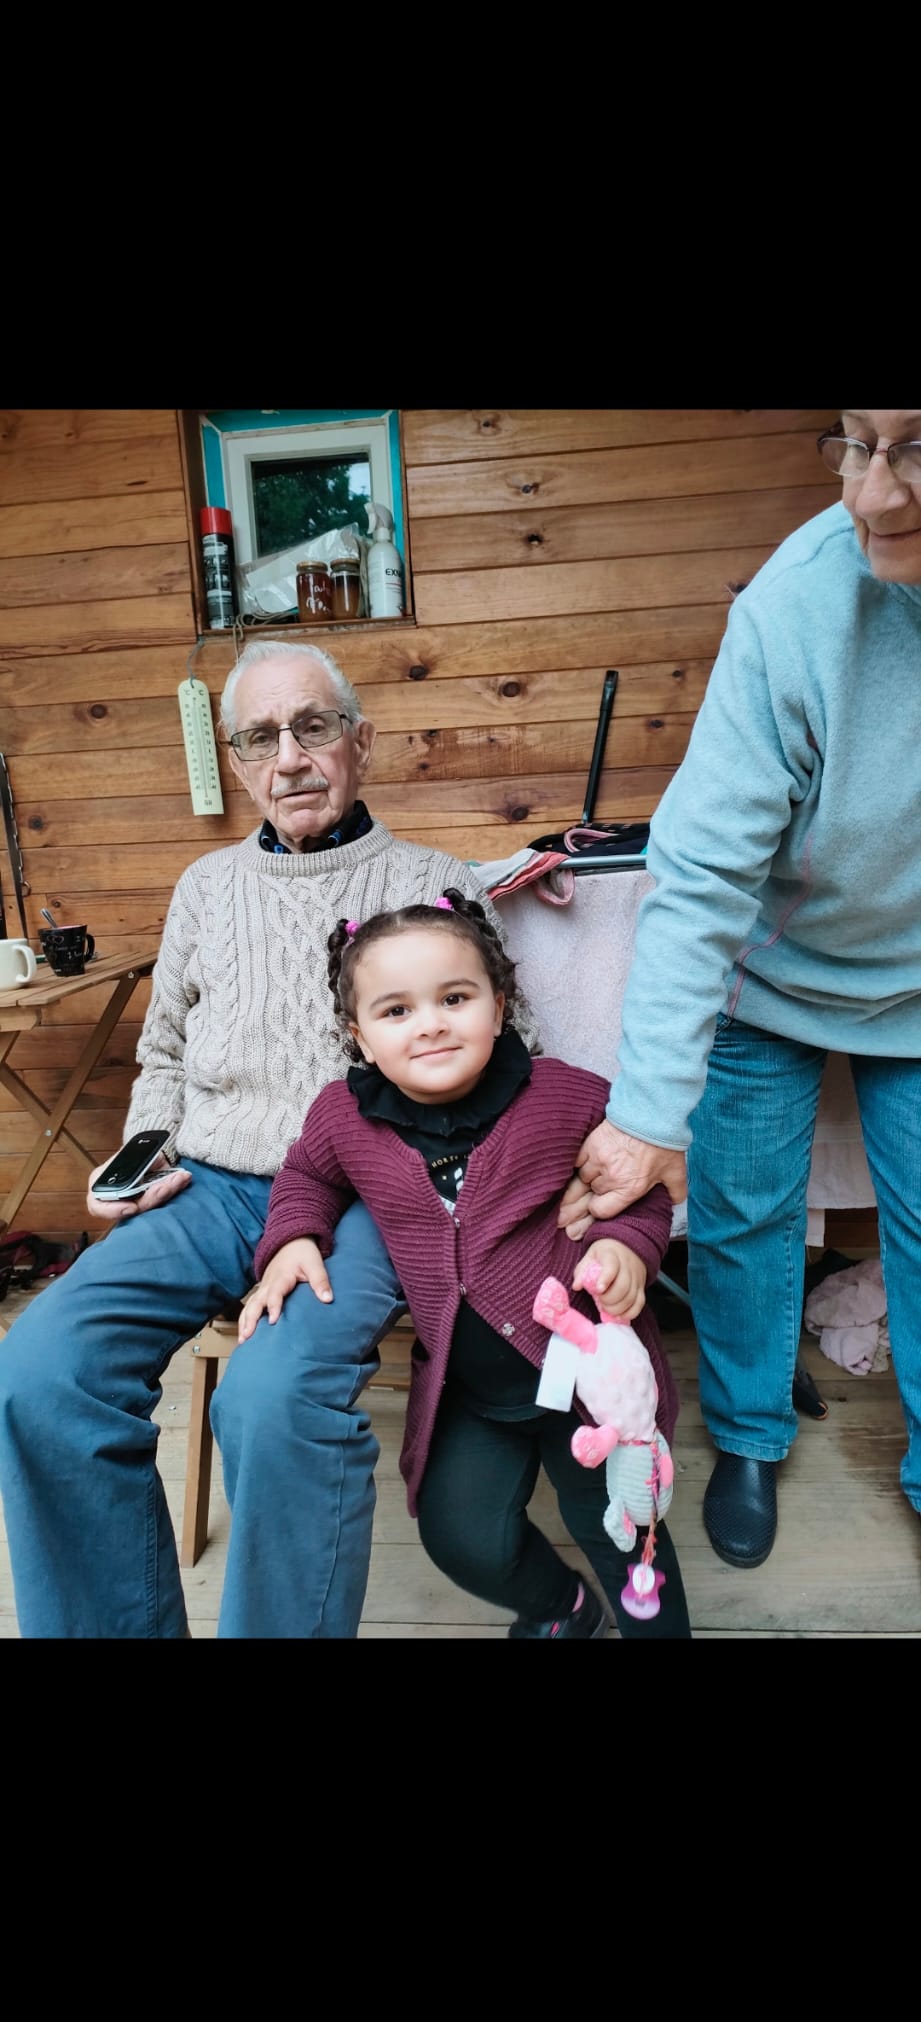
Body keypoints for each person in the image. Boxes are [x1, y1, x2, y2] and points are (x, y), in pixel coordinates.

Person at [0, 638, 520, 1639]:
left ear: (361, 742)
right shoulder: (205, 886)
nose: (289, 758)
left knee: (271, 1400)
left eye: (313, 726)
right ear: (237, 763)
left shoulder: (433, 878)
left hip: (371, 1192)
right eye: (260, 737)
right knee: (43, 1370)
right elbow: (162, 1052)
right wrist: (146, 1153)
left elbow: (509, 1044)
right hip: (209, 1185)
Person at [558, 409, 921, 1572]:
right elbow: (702, 873)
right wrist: (647, 1111)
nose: (873, 493)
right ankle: (751, 1434)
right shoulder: (794, 608)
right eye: (856, 439)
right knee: (741, 1211)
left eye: (918, 447)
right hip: (771, 970)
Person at [239, 890, 692, 1639]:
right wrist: (292, 1237)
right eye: (396, 1010)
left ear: (499, 1005)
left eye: (454, 998)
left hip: (588, 1385)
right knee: (460, 1535)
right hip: (470, 1389)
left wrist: (627, 1247)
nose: (430, 1024)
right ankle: (562, 1607)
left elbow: (636, 1188)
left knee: (623, 1530)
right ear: (359, 1036)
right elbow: (307, 1177)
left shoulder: (565, 1095)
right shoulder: (342, 1118)